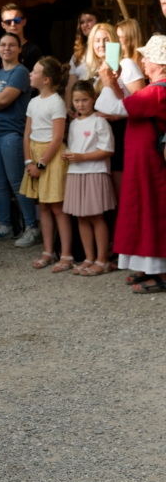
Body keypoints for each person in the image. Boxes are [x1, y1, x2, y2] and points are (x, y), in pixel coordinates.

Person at [112, 35, 166, 293]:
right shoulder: (155, 89)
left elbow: (121, 107)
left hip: (152, 165)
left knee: (153, 211)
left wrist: (108, 83)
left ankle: (161, 272)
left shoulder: (159, 90)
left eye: (147, 58)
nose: (143, 62)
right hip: (144, 164)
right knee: (142, 210)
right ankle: (148, 267)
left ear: (160, 63)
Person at [0, 33, 39, 247]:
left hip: (11, 134)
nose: (6, 48)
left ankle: (31, 227)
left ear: (19, 49)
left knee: (18, 183)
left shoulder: (21, 72)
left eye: (11, 45)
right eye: (2, 44)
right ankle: (4, 225)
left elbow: (3, 101)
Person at [20, 58, 72, 272]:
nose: (30, 74)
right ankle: (48, 251)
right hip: (35, 155)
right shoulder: (33, 102)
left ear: (46, 79)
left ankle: (66, 254)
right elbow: (27, 134)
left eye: (35, 71)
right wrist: (28, 161)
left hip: (51, 157)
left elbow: (57, 137)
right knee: (43, 206)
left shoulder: (56, 102)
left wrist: (40, 165)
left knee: (57, 207)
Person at [62, 81, 116, 275]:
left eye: (84, 100)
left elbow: (107, 149)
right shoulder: (74, 123)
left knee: (96, 216)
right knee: (81, 216)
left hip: (94, 171)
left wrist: (82, 157)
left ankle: (102, 259)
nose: (80, 104)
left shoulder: (99, 121)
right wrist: (69, 156)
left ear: (93, 99)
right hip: (76, 172)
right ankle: (89, 257)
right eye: (76, 101)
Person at [93, 19, 145, 198]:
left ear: (115, 41)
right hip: (99, 134)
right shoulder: (94, 69)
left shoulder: (126, 64)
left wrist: (116, 116)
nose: (101, 45)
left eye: (106, 40)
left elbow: (139, 104)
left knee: (122, 190)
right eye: (97, 40)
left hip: (121, 132)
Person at [0, 4, 43, 72]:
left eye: (17, 20)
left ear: (24, 22)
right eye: (8, 22)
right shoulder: (0, 52)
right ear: (3, 25)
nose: (13, 24)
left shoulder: (34, 51)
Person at [65, 10, 99, 109]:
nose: (85, 25)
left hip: (102, 104)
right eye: (82, 22)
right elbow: (70, 85)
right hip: (82, 106)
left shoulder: (105, 49)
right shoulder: (78, 54)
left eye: (89, 20)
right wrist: (68, 108)